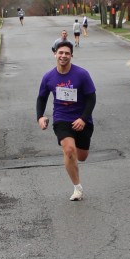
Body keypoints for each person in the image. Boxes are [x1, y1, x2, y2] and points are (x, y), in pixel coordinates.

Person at [36, 41, 96, 201]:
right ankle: (77, 188)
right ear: (55, 54)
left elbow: (91, 98)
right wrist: (40, 116)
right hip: (61, 117)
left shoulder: (82, 74)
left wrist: (83, 118)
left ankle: (75, 157)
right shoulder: (48, 77)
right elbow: (41, 98)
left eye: (67, 53)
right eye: (60, 53)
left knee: (81, 156)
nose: (63, 56)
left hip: (82, 119)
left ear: (71, 56)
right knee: (69, 150)